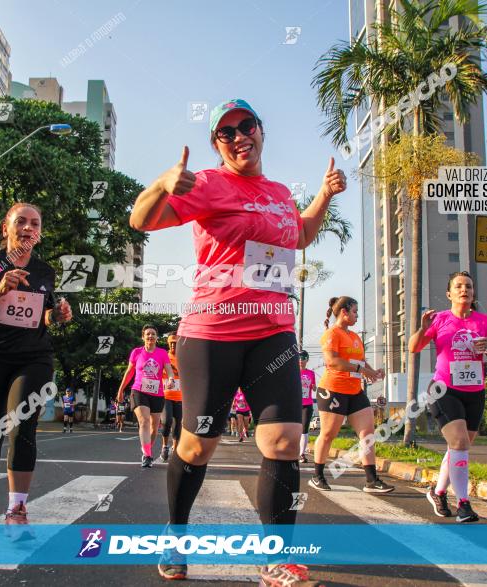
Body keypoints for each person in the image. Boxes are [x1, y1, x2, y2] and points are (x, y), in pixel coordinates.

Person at [130, 98, 346, 584]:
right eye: (226, 132)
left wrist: (326, 195)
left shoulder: (276, 192)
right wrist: (162, 183)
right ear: (217, 145)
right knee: (197, 446)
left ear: (261, 130)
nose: (238, 136)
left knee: (285, 441)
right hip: (213, 332)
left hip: (273, 332)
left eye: (246, 125)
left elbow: (301, 235)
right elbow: (141, 221)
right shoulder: (208, 183)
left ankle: (276, 557)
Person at [0, 203, 72, 528]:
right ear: (6, 227)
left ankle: (17, 508)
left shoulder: (45, 272)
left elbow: (42, 317)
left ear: (40, 233)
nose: (28, 228)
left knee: (23, 430)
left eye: (35, 223)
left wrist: (56, 315)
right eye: (21, 221)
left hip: (33, 357)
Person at [408, 271, 487, 523]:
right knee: (459, 444)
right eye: (458, 286)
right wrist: (423, 328)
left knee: (459, 446)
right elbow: (413, 347)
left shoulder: (482, 320)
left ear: (473, 293)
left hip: (475, 391)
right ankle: (464, 504)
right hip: (444, 389)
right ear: (449, 293)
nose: (464, 290)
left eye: (468, 286)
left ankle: (437, 492)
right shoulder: (440, 319)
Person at [310, 297, 392, 493]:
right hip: (333, 390)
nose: (357, 316)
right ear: (344, 312)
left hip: (355, 391)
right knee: (329, 434)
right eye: (355, 311)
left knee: (367, 434)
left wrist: (373, 372)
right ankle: (317, 475)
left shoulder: (355, 336)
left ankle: (372, 480)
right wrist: (362, 370)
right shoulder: (332, 334)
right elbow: (332, 361)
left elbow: (361, 360)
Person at [116, 325, 175, 468]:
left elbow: (168, 370)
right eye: (148, 334)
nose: (150, 336)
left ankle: (147, 448)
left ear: (156, 337)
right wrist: (121, 390)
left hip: (157, 393)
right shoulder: (136, 352)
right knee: (144, 421)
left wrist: (171, 379)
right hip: (139, 391)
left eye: (153, 334)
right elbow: (129, 372)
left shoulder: (162, 353)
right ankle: (147, 455)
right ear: (143, 337)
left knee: (155, 427)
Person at [161, 334, 183, 462]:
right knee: (167, 420)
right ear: (168, 343)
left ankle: (175, 448)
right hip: (166, 395)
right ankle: (164, 446)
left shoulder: (184, 357)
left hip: (180, 397)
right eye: (171, 342)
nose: (173, 344)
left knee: (178, 424)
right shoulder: (164, 357)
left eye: (176, 342)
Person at [298, 350, 317, 464]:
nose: (301, 360)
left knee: (304, 429)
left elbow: (314, 388)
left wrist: (314, 386)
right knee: (294, 429)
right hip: (295, 404)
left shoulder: (311, 373)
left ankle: (302, 454)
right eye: (299, 358)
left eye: (303, 358)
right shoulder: (292, 372)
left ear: (307, 360)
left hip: (307, 404)